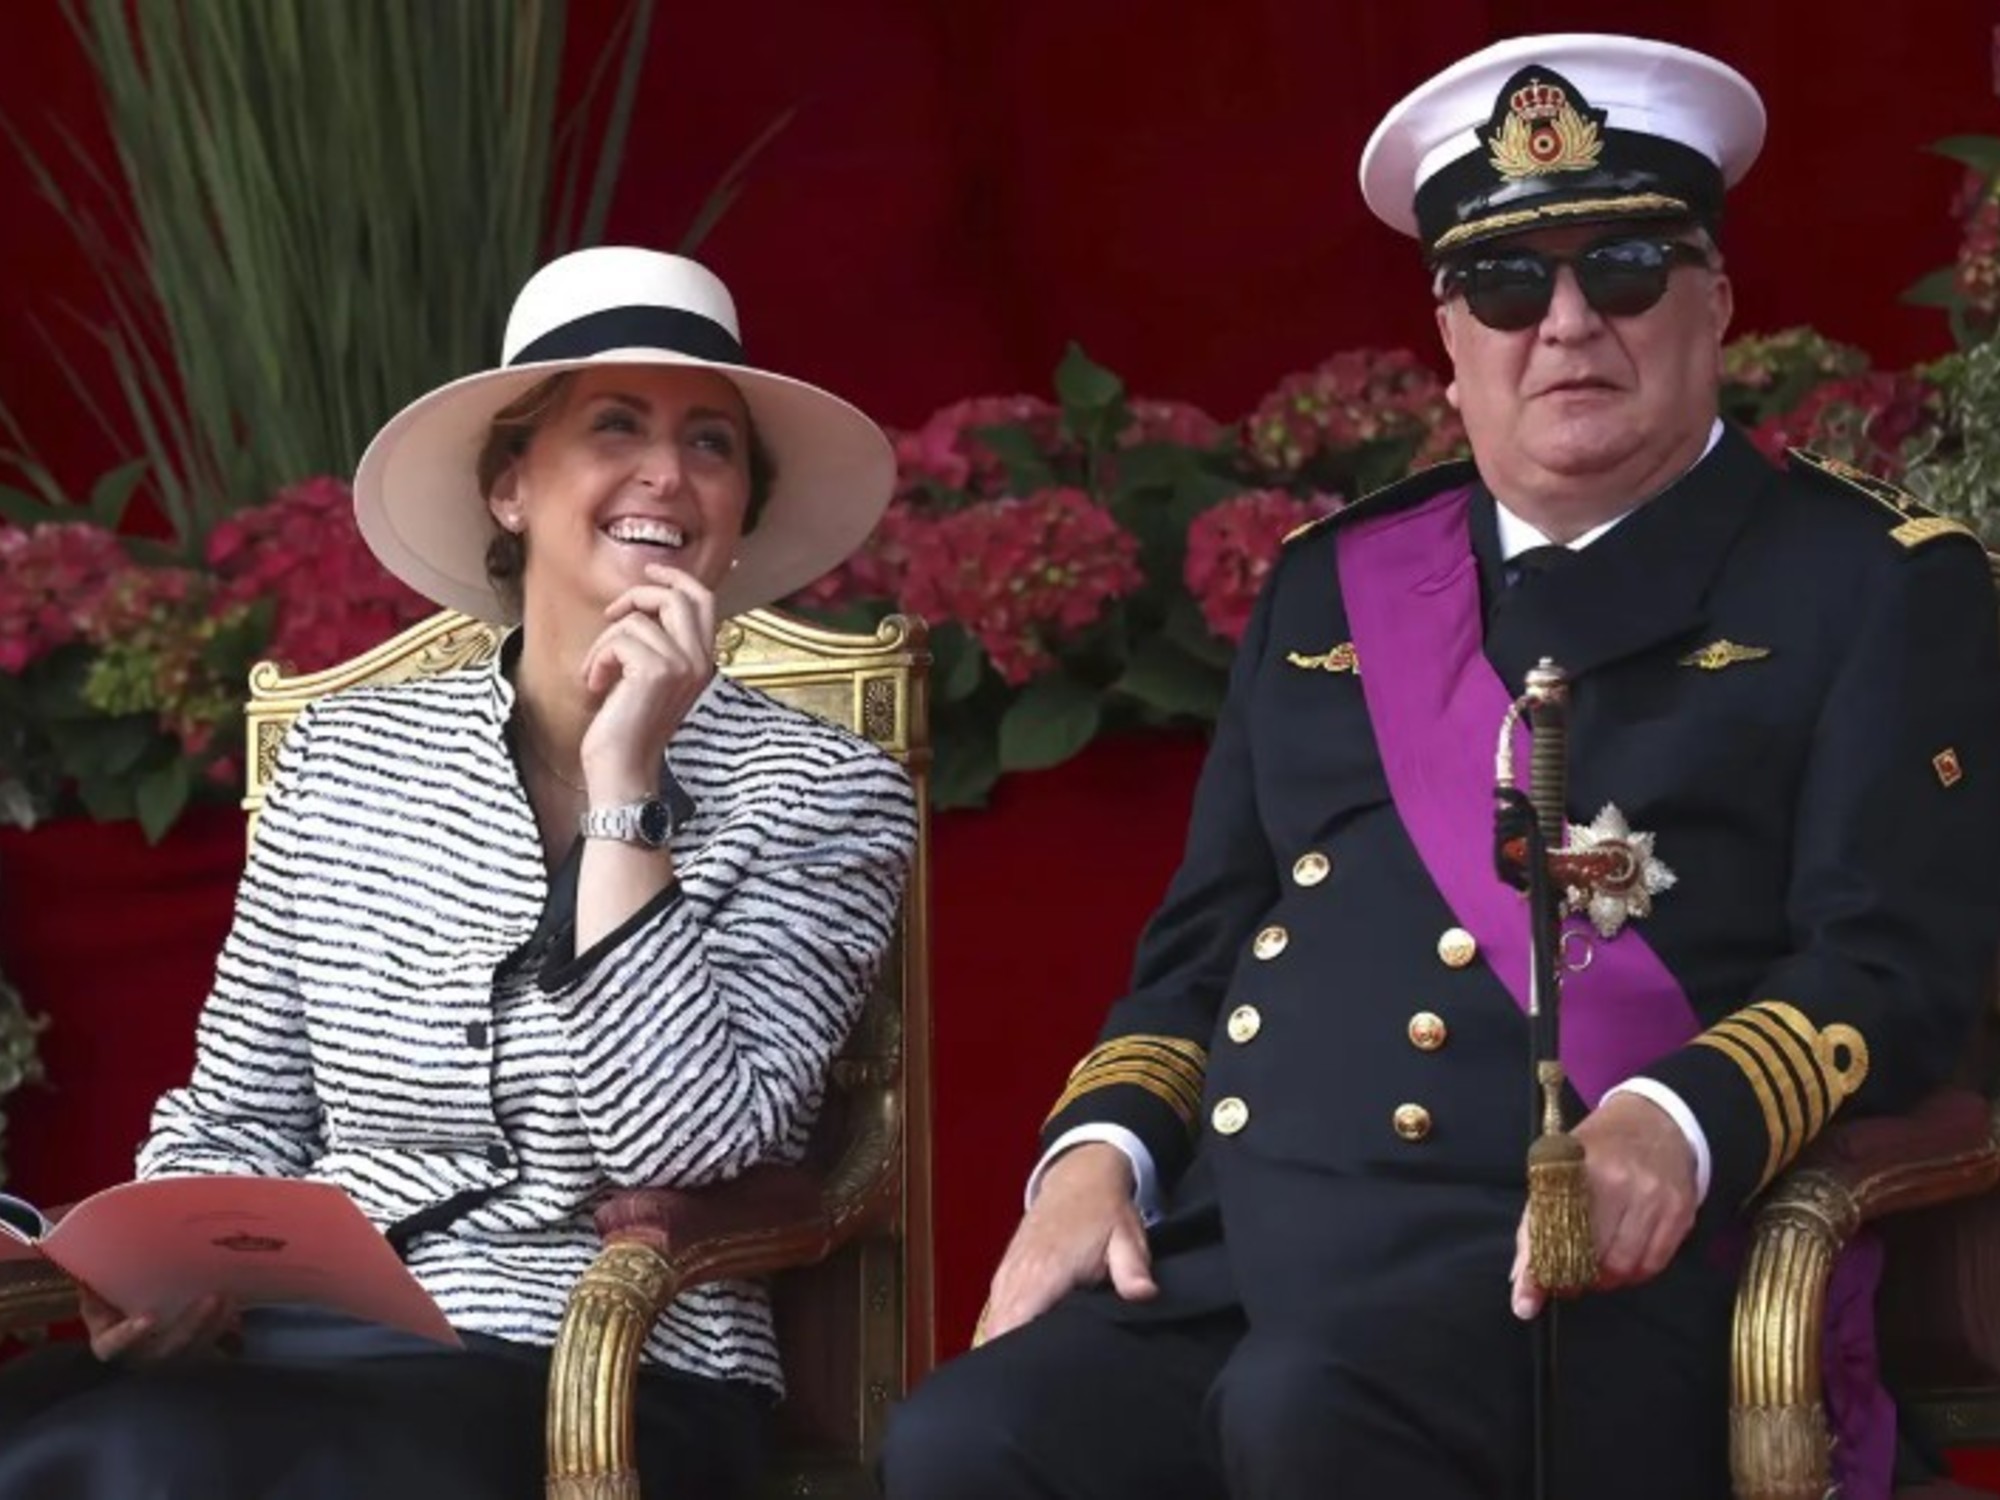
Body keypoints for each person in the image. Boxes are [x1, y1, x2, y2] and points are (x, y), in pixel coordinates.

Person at [881, 33, 2000, 1500]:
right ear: (1450, 334)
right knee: (964, 1442)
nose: (1568, 325)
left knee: (1300, 1409)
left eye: (1625, 271)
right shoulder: (1331, 585)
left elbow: (1888, 962)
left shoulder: (1870, 580)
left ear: (1716, 299)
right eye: (1509, 285)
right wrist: (1098, 1155)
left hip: (1574, 1274)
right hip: (1252, 1246)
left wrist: (1676, 1123)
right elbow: (1198, 952)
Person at [0, 247, 917, 1499]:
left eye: (711, 443)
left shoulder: (823, 789)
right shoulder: (348, 758)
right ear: (509, 486)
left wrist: (627, 782)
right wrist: (157, 1276)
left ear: (740, 507)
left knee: (146, 1459)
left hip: (614, 1370)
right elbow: (241, 1113)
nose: (667, 472)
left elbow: (689, 1149)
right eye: (615, 425)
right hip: (295, 1352)